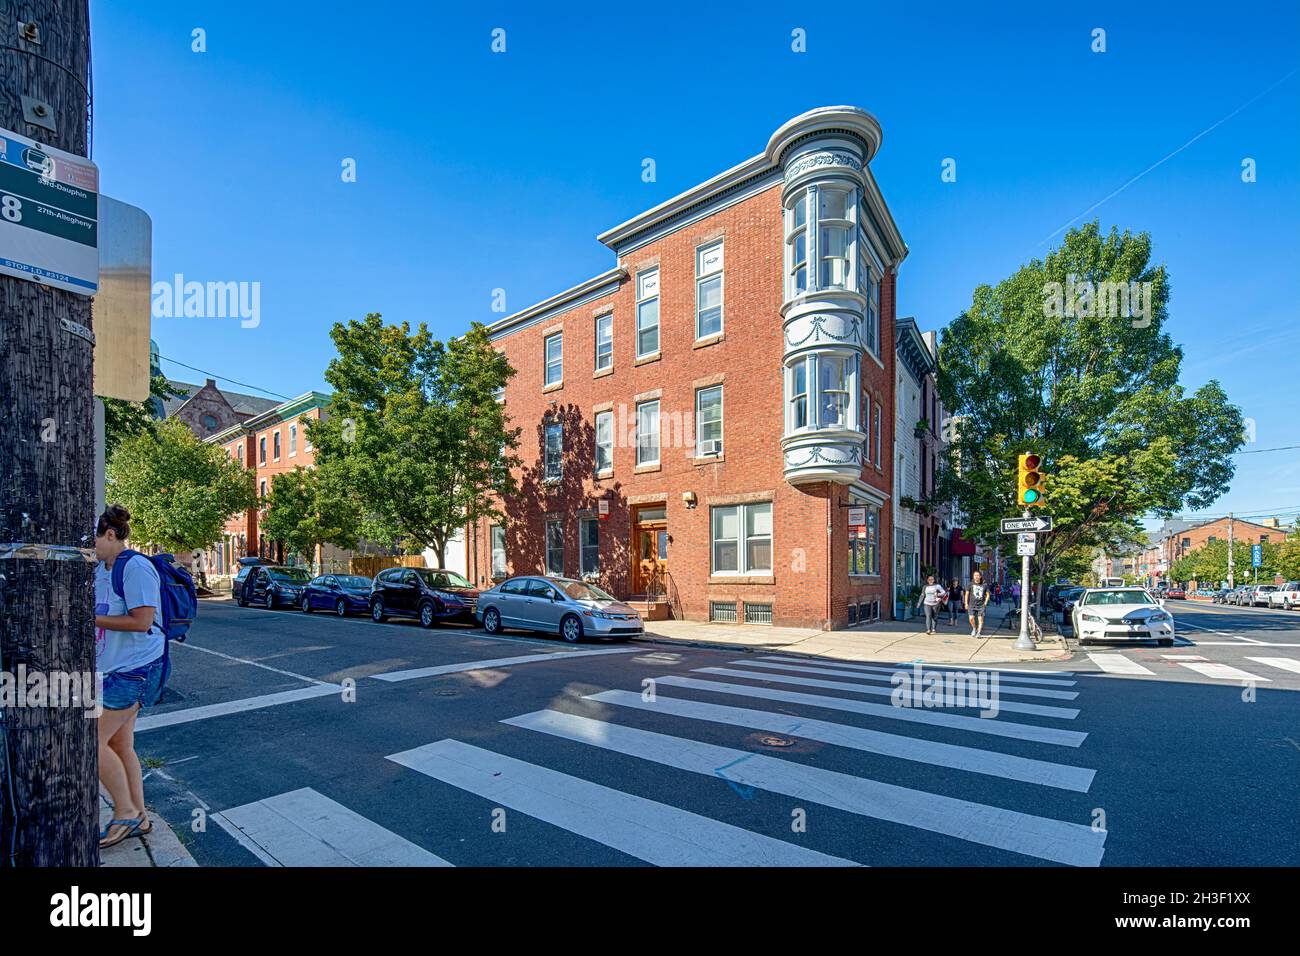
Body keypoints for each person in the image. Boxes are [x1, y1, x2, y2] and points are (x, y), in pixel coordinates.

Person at [94, 504, 167, 849]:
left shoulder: (136, 567)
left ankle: (123, 812)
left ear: (110, 534)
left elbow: (141, 621)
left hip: (137, 670)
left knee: (90, 741)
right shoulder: (101, 569)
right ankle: (139, 815)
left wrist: (89, 619)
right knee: (120, 743)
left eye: (93, 539)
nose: (89, 547)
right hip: (117, 669)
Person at [967, 570, 992, 637]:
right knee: (971, 618)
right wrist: (966, 603)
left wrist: (985, 603)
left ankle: (979, 633)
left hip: (981, 605)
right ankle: (974, 628)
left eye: (978, 575)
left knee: (980, 620)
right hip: (972, 604)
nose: (976, 577)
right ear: (973, 576)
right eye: (975, 575)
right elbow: (967, 594)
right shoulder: (970, 584)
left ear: (980, 576)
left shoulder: (984, 585)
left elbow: (988, 594)